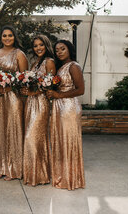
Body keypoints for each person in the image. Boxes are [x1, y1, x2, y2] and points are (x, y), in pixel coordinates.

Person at [0, 25, 28, 180]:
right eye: (4, 35)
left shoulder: (19, 54)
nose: (7, 38)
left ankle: (14, 168)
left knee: (13, 130)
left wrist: (11, 82)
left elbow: (25, 78)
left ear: (14, 37)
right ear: (1, 37)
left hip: (13, 98)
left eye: (10, 35)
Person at [46, 40, 85, 190]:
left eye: (63, 49)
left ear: (69, 49)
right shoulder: (60, 67)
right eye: (57, 50)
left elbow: (81, 90)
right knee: (60, 140)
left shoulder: (73, 66)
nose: (59, 52)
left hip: (68, 106)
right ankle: (62, 175)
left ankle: (70, 178)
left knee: (68, 140)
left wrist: (58, 95)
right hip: (58, 105)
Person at [20, 35, 56, 186]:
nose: (38, 48)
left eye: (41, 45)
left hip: (41, 104)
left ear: (46, 45)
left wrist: (33, 92)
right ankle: (33, 174)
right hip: (30, 104)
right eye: (35, 46)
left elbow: (51, 84)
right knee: (33, 138)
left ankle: (39, 175)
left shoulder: (50, 62)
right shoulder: (34, 63)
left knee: (32, 137)